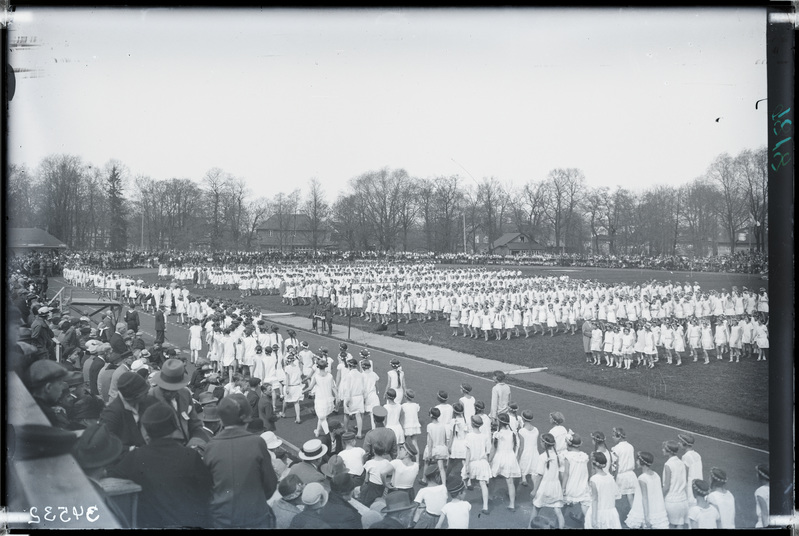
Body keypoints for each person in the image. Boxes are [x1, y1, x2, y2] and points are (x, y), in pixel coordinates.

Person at [107, 401, 214, 528]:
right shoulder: (191, 456)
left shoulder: (135, 457)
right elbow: (208, 492)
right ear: (175, 427)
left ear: (145, 429)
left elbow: (111, 476)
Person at [203, 393, 278, 528]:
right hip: (254, 517)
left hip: (222, 520)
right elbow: (270, 485)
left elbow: (207, 487)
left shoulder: (210, 446)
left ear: (220, 419)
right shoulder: (257, 442)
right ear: (246, 417)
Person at [149, 358, 210, 451]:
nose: (169, 392)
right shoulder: (150, 397)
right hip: (162, 450)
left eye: (174, 388)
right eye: (166, 388)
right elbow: (145, 433)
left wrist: (195, 445)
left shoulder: (185, 393)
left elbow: (195, 425)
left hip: (187, 447)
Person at [99, 371, 157, 448]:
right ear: (134, 397)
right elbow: (109, 446)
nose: (147, 393)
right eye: (144, 393)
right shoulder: (111, 415)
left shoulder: (149, 401)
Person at [25, 360, 81, 430]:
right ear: (48, 387)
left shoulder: (30, 406)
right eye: (60, 383)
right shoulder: (46, 414)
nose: (62, 387)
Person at [625, 451, 669, 529]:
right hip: (655, 510)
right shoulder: (656, 475)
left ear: (642, 462)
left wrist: (646, 517)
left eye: (637, 460)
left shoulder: (642, 478)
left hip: (644, 511)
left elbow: (644, 498)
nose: (636, 462)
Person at [530, 432, 565, 529]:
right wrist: (562, 487)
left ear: (544, 444)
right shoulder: (558, 456)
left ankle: (529, 527)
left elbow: (540, 476)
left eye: (541, 442)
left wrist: (534, 490)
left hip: (544, 488)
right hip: (555, 487)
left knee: (536, 508)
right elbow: (561, 473)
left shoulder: (542, 457)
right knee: (558, 510)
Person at [584, 451, 622, 529]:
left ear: (593, 464)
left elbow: (595, 500)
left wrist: (594, 519)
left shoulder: (594, 479)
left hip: (598, 513)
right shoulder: (610, 477)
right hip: (611, 513)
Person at [463, 414, 491, 515]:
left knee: (464, 479)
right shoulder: (485, 436)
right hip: (483, 463)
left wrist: (466, 466)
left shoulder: (469, 436)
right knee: (483, 484)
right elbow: (487, 452)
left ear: (472, 424)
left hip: (472, 462)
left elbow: (468, 452)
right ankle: (485, 507)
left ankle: (461, 501)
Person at [561, 433, 591, 526]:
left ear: (569, 444)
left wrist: (563, 488)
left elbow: (566, 474)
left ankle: (558, 524)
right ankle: (591, 525)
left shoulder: (568, 456)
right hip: (583, 487)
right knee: (586, 509)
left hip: (571, 486)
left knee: (562, 506)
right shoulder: (584, 456)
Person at [304, 357, 337, 438]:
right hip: (329, 400)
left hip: (320, 401)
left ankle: (330, 435)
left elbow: (310, 388)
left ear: (318, 367)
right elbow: (333, 387)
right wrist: (337, 396)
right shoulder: (330, 375)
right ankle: (317, 432)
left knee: (322, 418)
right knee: (323, 417)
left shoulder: (316, 377)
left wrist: (302, 391)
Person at [662, 440, 689, 528]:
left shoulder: (668, 465)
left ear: (669, 451)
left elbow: (666, 487)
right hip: (683, 501)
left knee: (670, 526)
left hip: (672, 502)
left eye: (664, 449)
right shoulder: (682, 464)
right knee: (680, 525)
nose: (662, 450)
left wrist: (659, 497)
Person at [421, 406, 448, 485]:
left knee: (426, 463)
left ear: (431, 415)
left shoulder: (430, 426)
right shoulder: (442, 425)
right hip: (441, 448)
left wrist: (429, 453)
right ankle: (443, 484)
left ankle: (424, 479)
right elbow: (445, 438)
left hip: (433, 449)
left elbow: (430, 440)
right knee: (441, 467)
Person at [678, 432, 703, 506]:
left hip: (690, 491)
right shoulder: (697, 455)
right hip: (699, 488)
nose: (678, 443)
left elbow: (684, 476)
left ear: (684, 444)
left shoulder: (686, 457)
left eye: (680, 442)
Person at [517, 410, 540, 488]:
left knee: (523, 465)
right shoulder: (536, 430)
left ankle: (524, 479)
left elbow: (521, 447)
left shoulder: (521, 431)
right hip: (534, 452)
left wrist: (518, 457)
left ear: (523, 419)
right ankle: (535, 486)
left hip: (525, 453)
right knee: (533, 470)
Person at [401, 388, 421, 455]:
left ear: (405, 397)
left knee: (402, 443)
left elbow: (402, 417)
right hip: (414, 426)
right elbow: (417, 415)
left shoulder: (403, 406)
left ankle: (401, 457)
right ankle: (417, 461)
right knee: (415, 443)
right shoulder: (416, 406)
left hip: (406, 427)